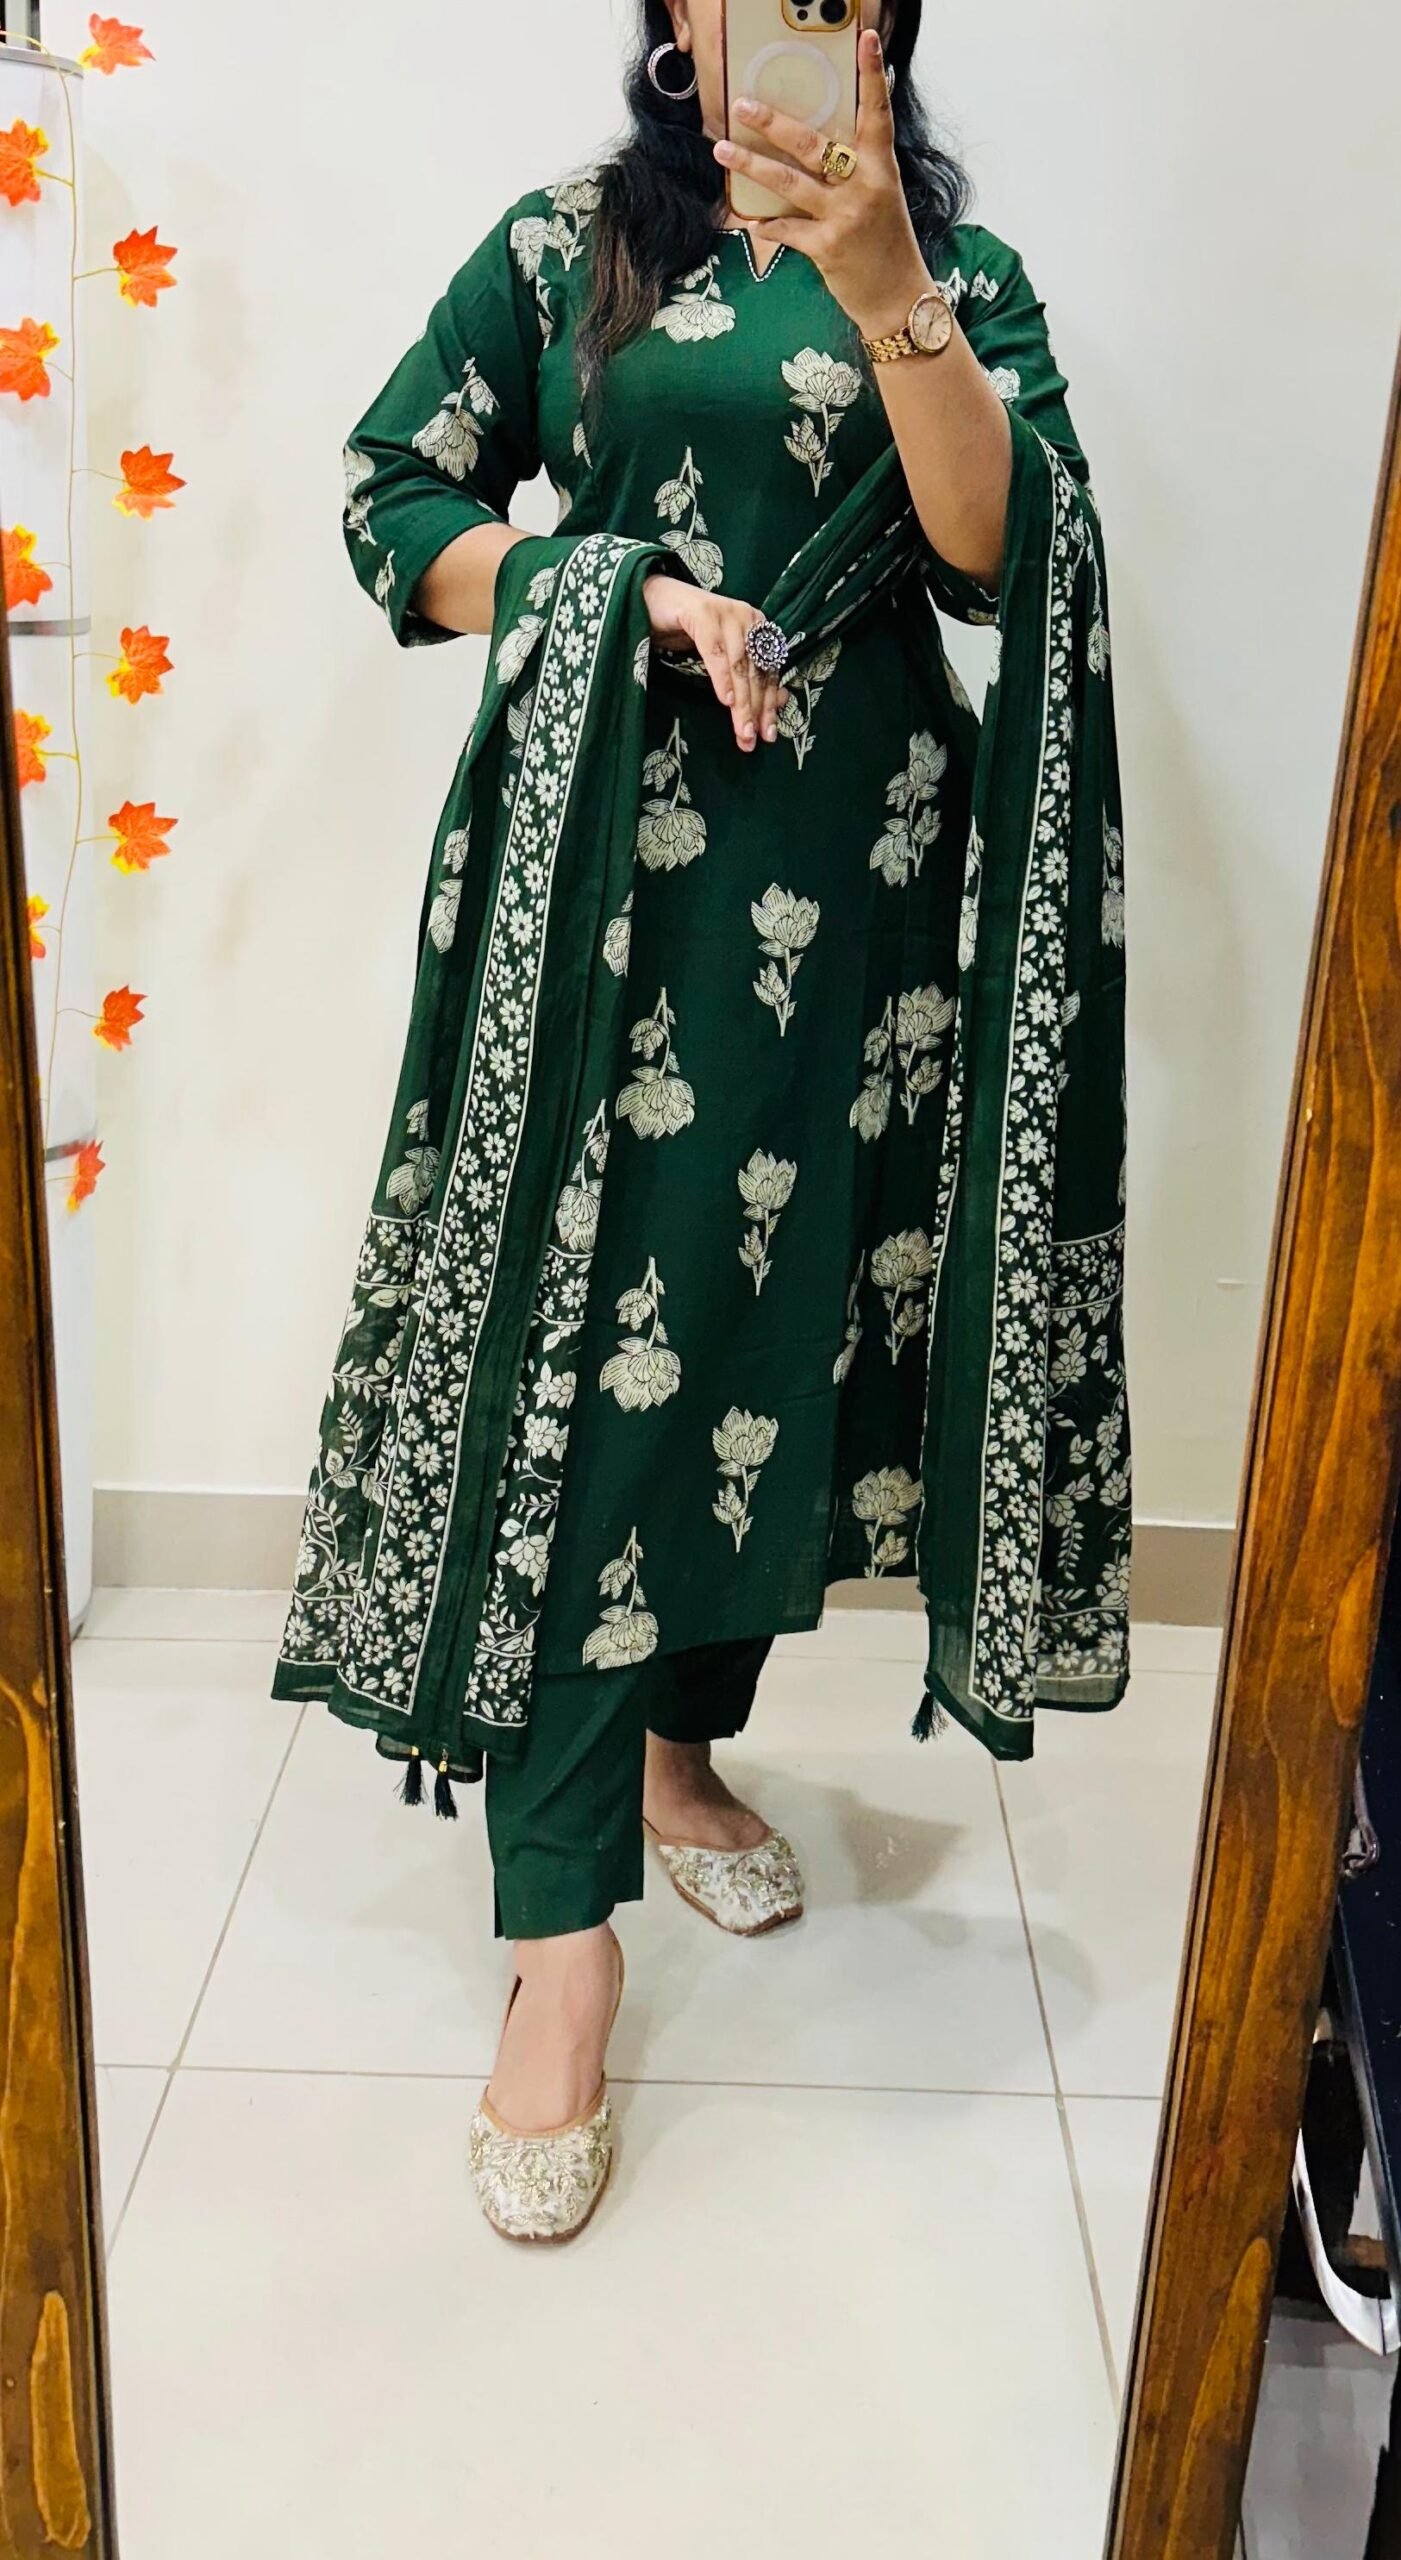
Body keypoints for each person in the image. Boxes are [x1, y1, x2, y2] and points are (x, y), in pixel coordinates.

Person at [274, 0, 1131, 2245]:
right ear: (669, 16)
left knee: (777, 1333)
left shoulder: (956, 270)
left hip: (862, 890)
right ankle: (559, 1939)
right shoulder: (567, 248)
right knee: (590, 1376)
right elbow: (391, 498)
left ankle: (678, 1750)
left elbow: (995, 555)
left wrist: (888, 285)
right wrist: (618, 594)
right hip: (608, 893)